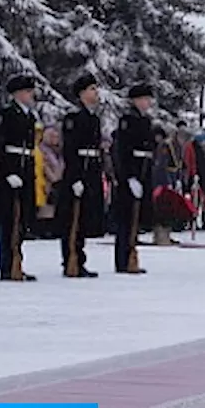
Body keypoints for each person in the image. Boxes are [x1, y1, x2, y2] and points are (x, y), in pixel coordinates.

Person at [57, 74, 107, 277]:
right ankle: (71, 259)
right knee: (73, 220)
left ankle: (80, 258)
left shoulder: (94, 118)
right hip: (78, 171)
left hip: (91, 170)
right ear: (82, 93)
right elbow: (70, 149)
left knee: (84, 218)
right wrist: (76, 177)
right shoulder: (74, 118)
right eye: (92, 89)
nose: (96, 93)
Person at [0, 74, 40, 280]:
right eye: (28, 91)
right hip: (10, 171)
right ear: (18, 94)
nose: (32, 95)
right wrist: (9, 171)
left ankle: (17, 261)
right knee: (8, 219)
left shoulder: (29, 116)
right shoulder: (6, 114)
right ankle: (6, 264)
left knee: (22, 220)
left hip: (26, 168)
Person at [111, 83, 160, 274]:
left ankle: (131, 254)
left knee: (135, 217)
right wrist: (129, 176)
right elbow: (122, 151)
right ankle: (123, 260)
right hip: (132, 170)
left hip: (144, 168)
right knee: (126, 217)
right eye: (145, 99)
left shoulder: (146, 121)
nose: (148, 103)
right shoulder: (127, 121)